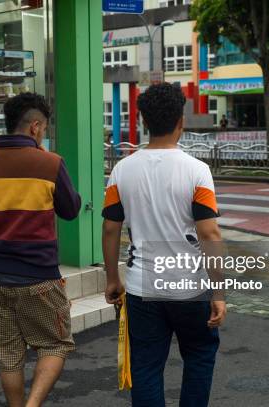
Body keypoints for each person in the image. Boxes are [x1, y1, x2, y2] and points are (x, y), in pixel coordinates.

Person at [102, 83, 226, 407]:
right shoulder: (197, 171)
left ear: (143, 121)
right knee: (199, 356)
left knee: (145, 365)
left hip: (143, 287)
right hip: (190, 287)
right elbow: (210, 233)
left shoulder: (121, 170)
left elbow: (110, 227)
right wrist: (219, 291)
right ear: (180, 121)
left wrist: (112, 278)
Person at [0, 92, 81, 407]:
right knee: (55, 345)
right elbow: (71, 210)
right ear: (36, 127)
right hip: (39, 279)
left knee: (8, 356)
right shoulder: (50, 163)